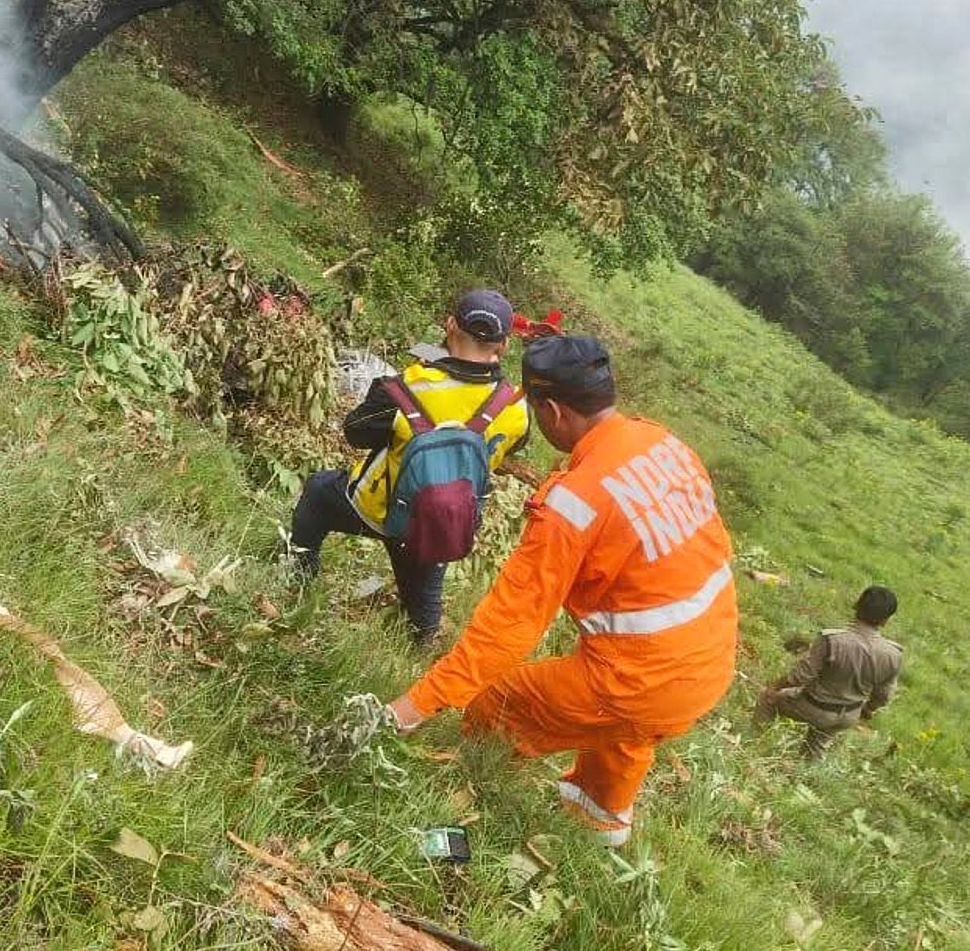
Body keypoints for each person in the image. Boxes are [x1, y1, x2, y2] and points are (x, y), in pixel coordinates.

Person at [386, 334, 739, 847]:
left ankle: (458, 797)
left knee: (498, 705)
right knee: (622, 729)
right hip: (709, 663)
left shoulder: (572, 506)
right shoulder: (664, 444)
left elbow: (509, 626)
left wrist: (417, 704)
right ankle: (598, 828)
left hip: (641, 680)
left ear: (551, 410)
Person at [287, 290, 532, 645]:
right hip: (441, 522)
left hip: (375, 508)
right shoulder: (514, 406)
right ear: (504, 345)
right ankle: (423, 645)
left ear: (449, 326)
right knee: (424, 606)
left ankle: (298, 578)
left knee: (317, 493)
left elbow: (356, 432)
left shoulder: (406, 386)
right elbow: (513, 445)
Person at [755, 585, 903, 757]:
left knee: (767, 699)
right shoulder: (893, 654)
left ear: (856, 606)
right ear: (886, 620)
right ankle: (807, 773)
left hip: (814, 707)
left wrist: (774, 689)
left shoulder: (832, 640)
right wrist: (866, 710)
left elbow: (800, 676)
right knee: (818, 744)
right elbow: (884, 695)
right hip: (848, 715)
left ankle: (754, 747)